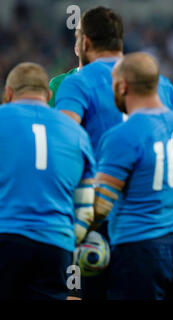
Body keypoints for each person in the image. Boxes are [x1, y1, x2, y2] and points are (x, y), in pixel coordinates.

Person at [55, 6, 173, 300]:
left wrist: (73, 226)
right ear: (120, 41)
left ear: (86, 43)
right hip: (171, 232)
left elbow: (62, 146)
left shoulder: (74, 84)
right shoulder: (161, 85)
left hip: (107, 228)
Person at [92, 52, 173, 299]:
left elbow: (102, 204)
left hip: (137, 248)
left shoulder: (122, 135)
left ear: (123, 86)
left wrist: (75, 232)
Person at [0, 62, 96, 299]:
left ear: (9, 93)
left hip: (6, 238)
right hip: (56, 244)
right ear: (48, 95)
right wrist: (72, 238)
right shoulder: (76, 133)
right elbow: (86, 204)